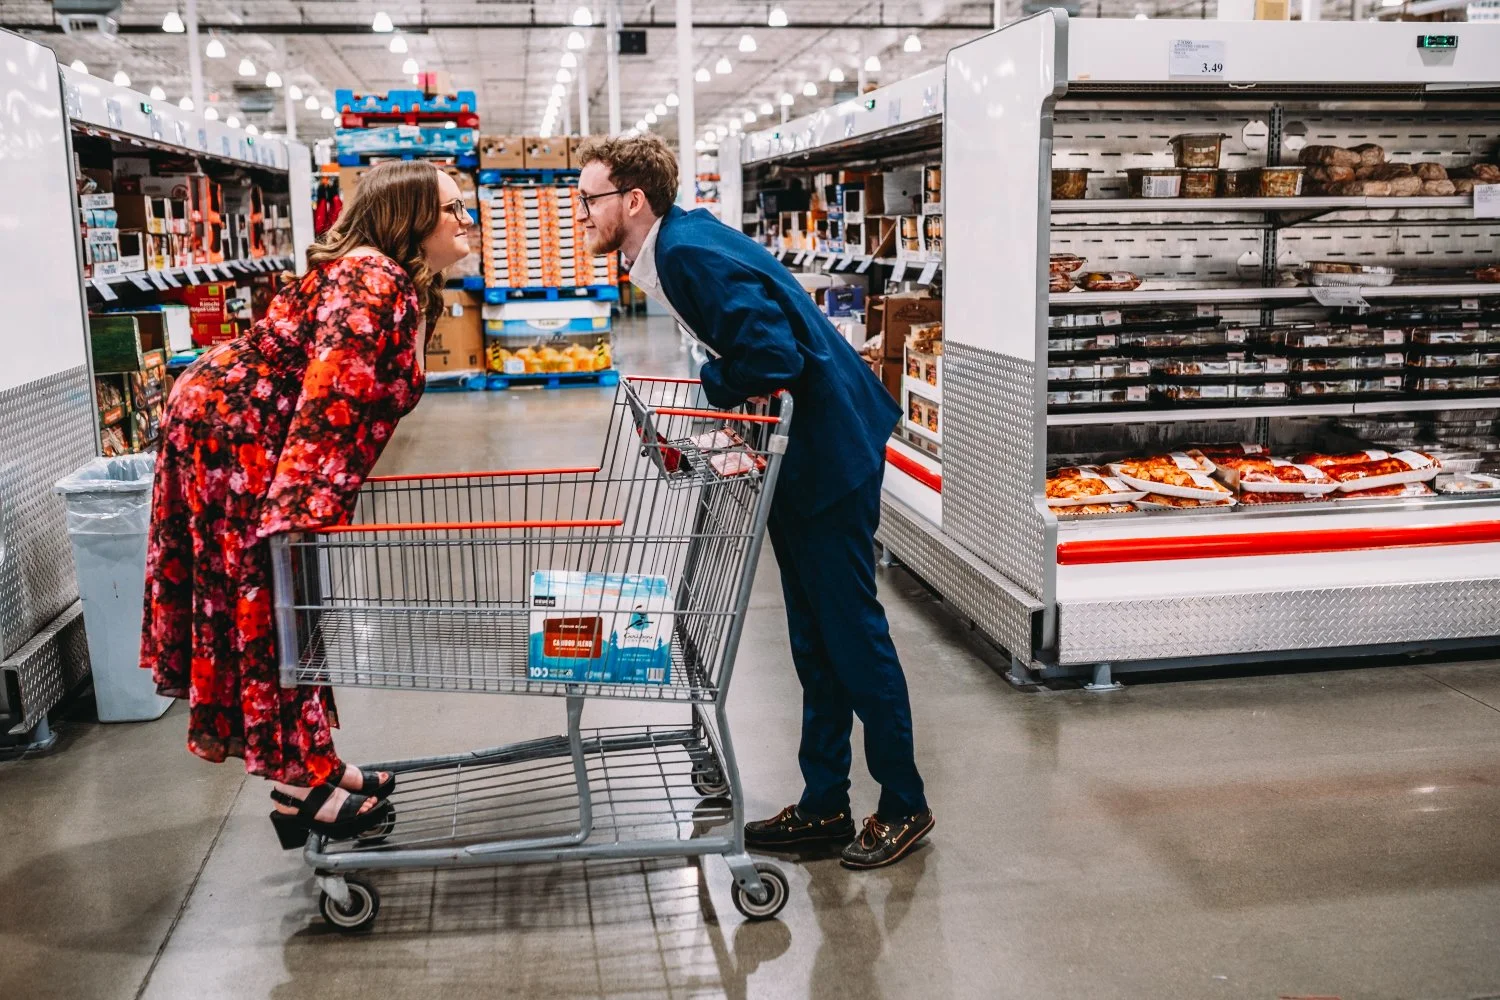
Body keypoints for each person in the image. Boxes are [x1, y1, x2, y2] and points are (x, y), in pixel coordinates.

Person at [576, 135, 932, 870]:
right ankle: (825, 801)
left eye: (589, 200)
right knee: (813, 637)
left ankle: (904, 802)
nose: (581, 214)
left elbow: (773, 358)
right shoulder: (680, 240)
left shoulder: (685, 255)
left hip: (828, 453)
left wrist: (708, 394)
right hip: (806, 454)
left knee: (852, 634)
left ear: (632, 200)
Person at [140, 161, 472, 848]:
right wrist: (295, 517)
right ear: (408, 216)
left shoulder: (390, 280)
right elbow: (328, 403)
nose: (465, 218)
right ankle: (297, 783)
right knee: (275, 601)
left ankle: (313, 759)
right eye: (452, 207)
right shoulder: (371, 280)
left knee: (295, 603)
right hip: (234, 438)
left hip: (241, 428)